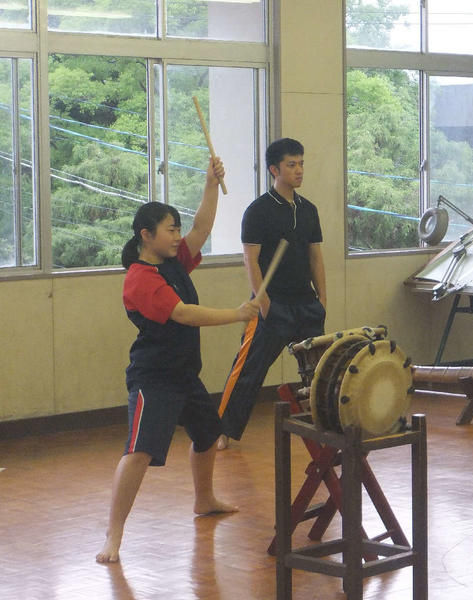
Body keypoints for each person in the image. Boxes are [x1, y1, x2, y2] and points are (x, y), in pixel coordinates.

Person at [96, 157, 260, 564]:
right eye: (170, 230)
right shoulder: (140, 278)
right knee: (139, 452)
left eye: (175, 229)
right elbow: (184, 314)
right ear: (146, 235)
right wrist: (238, 313)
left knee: (207, 434)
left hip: (185, 374)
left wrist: (211, 183)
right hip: (154, 379)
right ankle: (113, 534)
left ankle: (204, 500)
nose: (176, 236)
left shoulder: (172, 262)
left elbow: (202, 227)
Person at [217, 138, 326, 449]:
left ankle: (324, 424)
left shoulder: (308, 210)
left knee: (319, 371)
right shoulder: (258, 211)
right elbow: (249, 259)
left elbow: (315, 257)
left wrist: (322, 299)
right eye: (291, 165)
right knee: (249, 371)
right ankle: (222, 430)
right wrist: (263, 302)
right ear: (274, 170)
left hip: (306, 303)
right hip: (272, 304)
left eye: (301, 163)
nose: (299, 170)